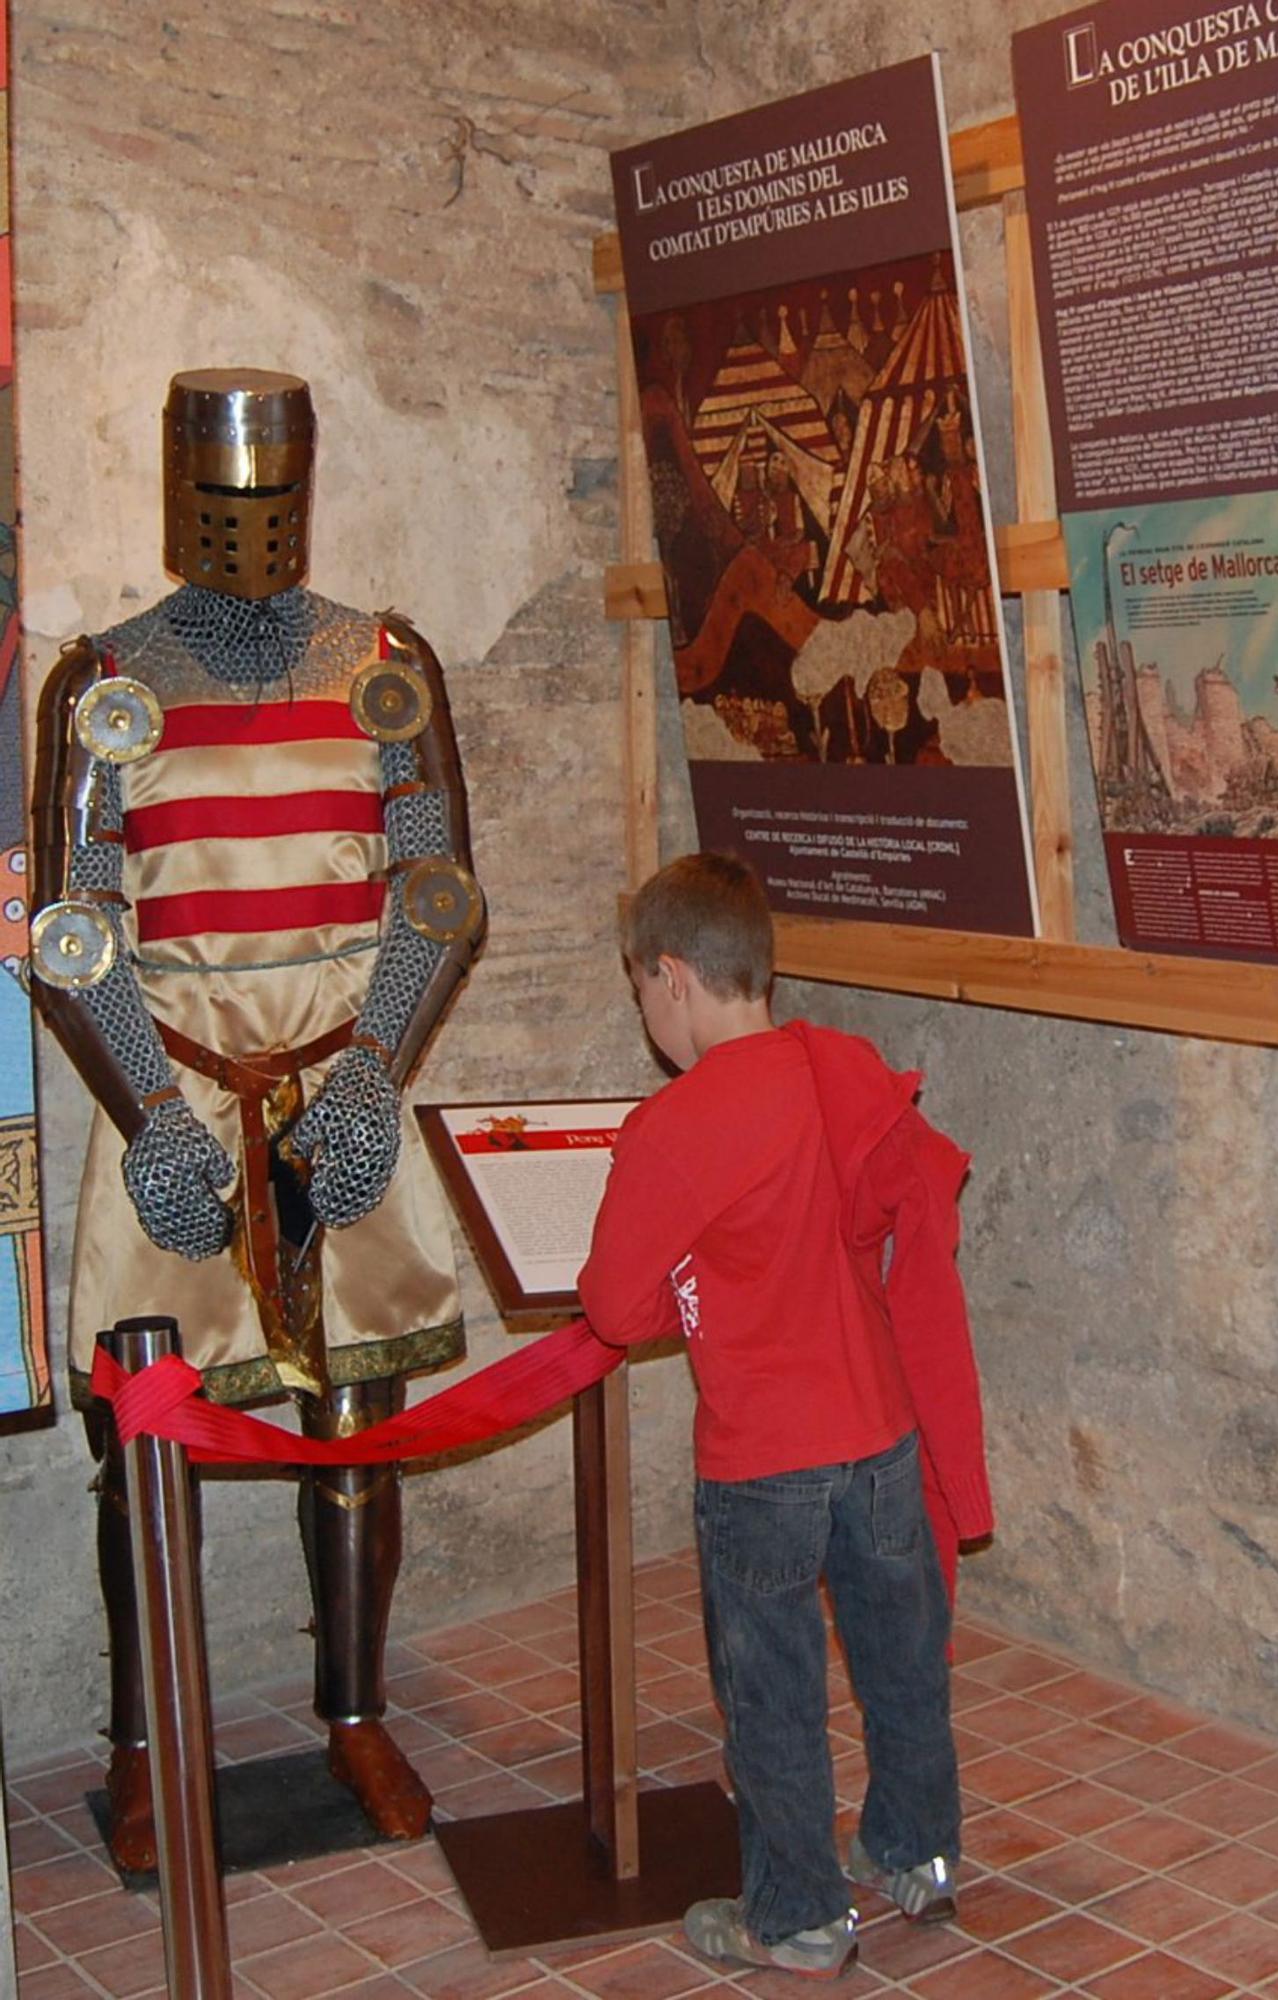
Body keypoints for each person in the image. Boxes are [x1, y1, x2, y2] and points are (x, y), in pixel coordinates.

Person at [30, 369, 485, 1870]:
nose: (248, 523)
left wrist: (371, 1077)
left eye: (268, 494)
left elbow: (430, 898)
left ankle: (353, 1715)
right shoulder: (105, 682)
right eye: (224, 497)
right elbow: (77, 932)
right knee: (149, 1441)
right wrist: (148, 1114)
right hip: (176, 1083)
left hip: (332, 1081)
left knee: (355, 1421)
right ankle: (147, 1741)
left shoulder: (382, 665)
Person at [577, 852, 992, 1980]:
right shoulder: (841, 1065)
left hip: (764, 1453)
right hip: (882, 1428)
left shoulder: (677, 1120)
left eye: (640, 991)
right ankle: (918, 1855)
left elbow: (613, 1304)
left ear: (672, 977)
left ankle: (801, 1913)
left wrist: (695, 1287)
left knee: (772, 1686)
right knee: (903, 1658)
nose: (648, 1015)